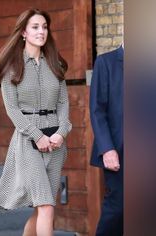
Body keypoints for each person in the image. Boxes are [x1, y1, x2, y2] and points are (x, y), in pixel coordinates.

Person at [0, 8, 72, 236]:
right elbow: (12, 110)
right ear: (23, 32)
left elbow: (63, 103)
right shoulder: (11, 66)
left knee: (44, 205)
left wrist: (61, 132)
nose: (41, 31)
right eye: (35, 27)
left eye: (44, 27)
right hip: (28, 142)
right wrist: (38, 135)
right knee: (45, 205)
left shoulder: (56, 64)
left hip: (56, 141)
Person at [89, 45, 124, 236]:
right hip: (119, 150)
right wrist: (107, 149)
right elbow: (97, 110)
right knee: (118, 207)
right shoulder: (105, 62)